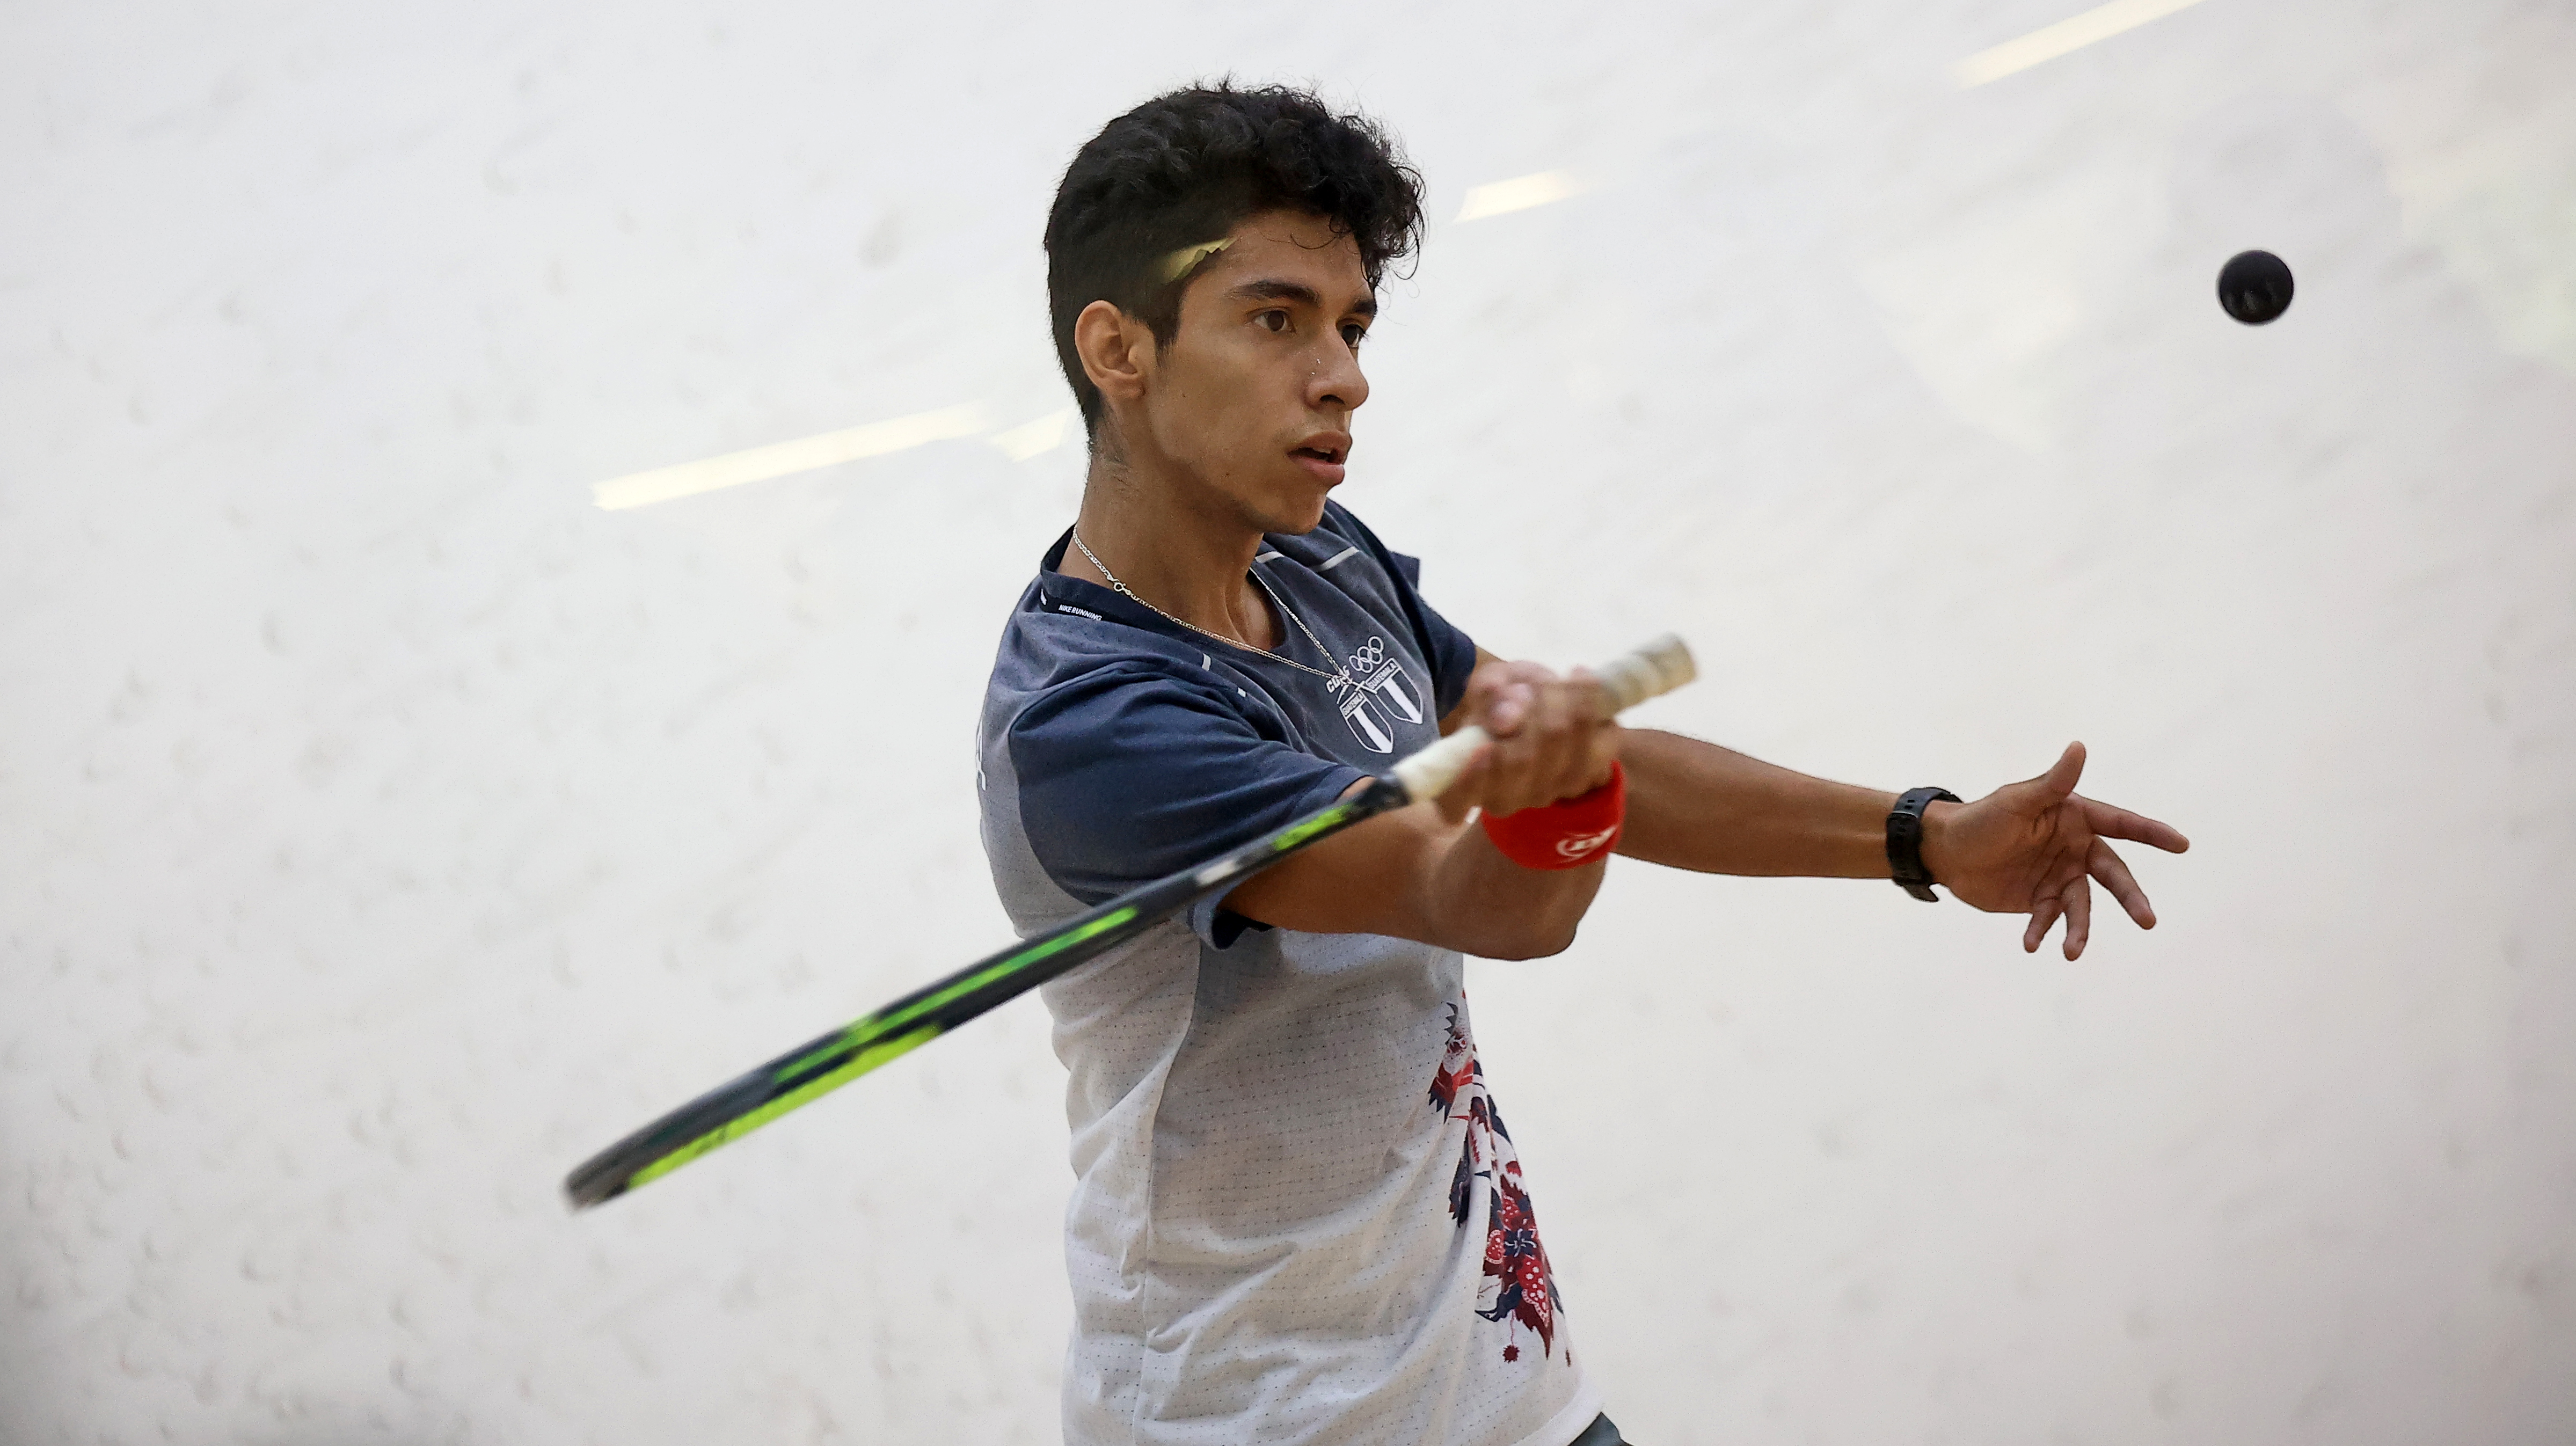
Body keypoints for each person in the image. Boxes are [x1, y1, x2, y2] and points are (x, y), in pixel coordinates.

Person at [974, 83, 2188, 1446]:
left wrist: (1922, 834)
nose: (1345, 375)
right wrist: (1554, 794)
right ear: (1118, 348)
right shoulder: (1094, 731)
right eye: (1277, 320)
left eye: (1354, 325)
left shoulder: (1321, 560)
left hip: (1504, 1393)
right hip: (1264, 1422)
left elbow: (1592, 767)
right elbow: (1486, 900)